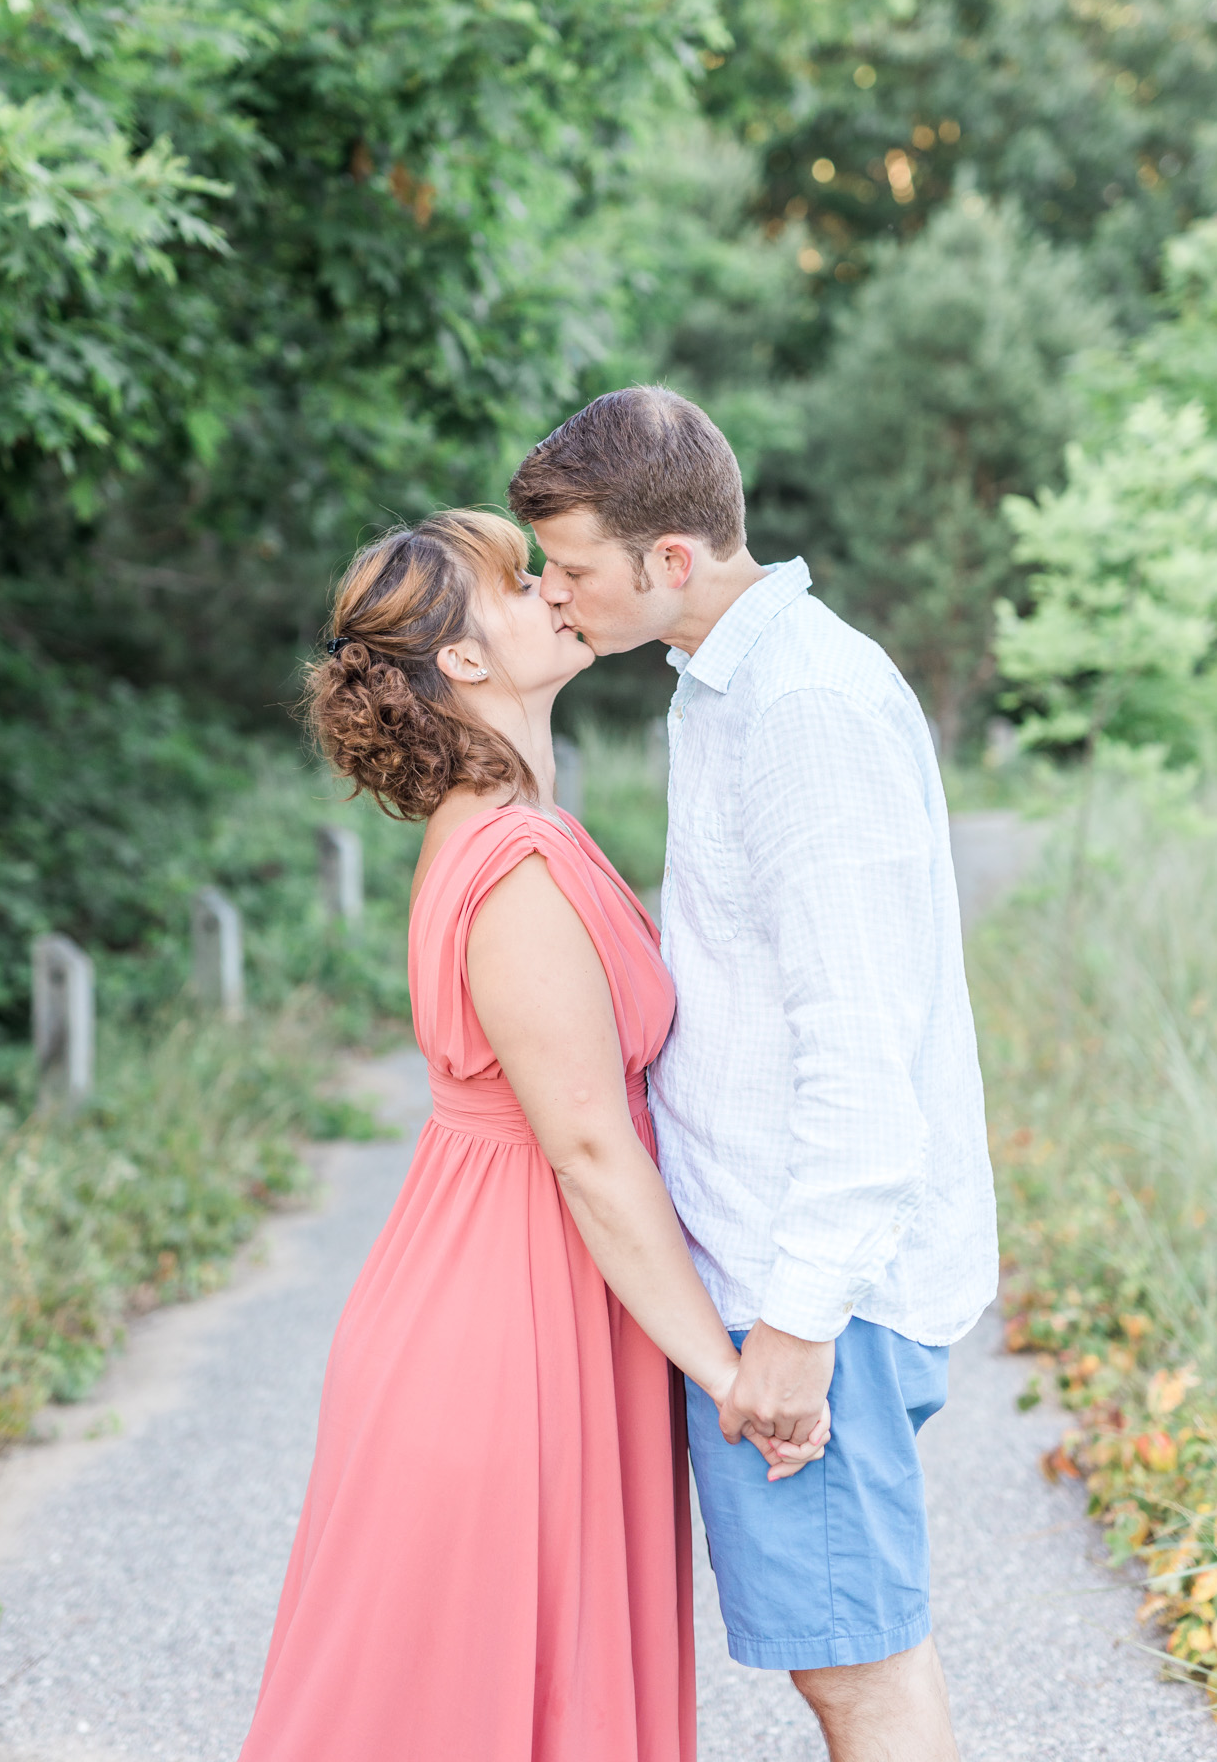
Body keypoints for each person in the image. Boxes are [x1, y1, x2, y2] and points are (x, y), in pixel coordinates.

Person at [237, 509, 828, 1762]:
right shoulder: (510, 863)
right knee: (470, 1706)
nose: (556, 588)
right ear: (460, 659)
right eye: (518, 581)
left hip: (538, 1299)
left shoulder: (530, 826)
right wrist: (732, 1376)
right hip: (502, 1330)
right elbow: (591, 1152)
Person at [509, 389, 1000, 1762]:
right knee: (838, 1653)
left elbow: (859, 1049)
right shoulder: (727, 685)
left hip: (807, 1296)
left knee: (855, 1665)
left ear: (672, 560)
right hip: (769, 1273)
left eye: (574, 569)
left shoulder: (802, 711)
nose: (556, 596)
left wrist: (791, 1326)